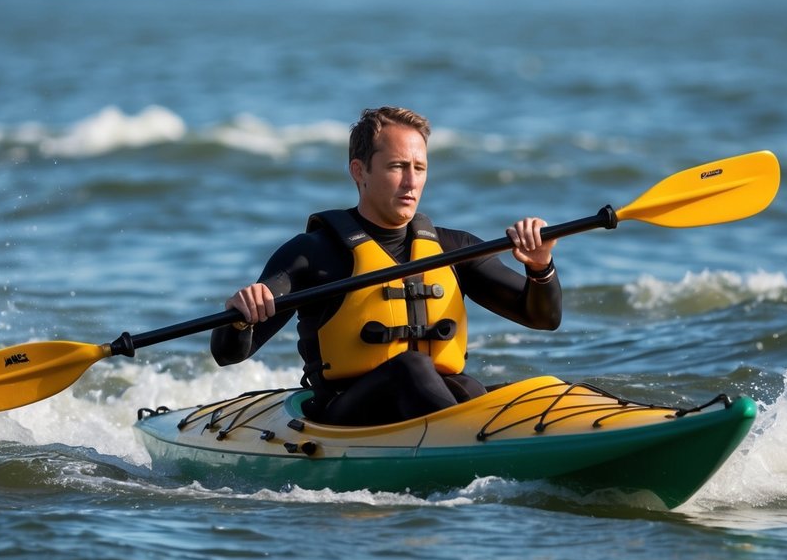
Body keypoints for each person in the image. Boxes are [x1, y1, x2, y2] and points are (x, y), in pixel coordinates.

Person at [210, 106, 562, 426]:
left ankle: (478, 434)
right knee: (409, 369)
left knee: (479, 385)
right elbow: (228, 353)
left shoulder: (454, 248)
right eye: (397, 167)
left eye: (419, 168)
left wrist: (540, 267)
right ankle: (469, 440)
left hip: (432, 399)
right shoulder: (311, 254)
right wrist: (242, 317)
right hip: (347, 416)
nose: (411, 182)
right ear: (359, 171)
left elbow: (542, 318)